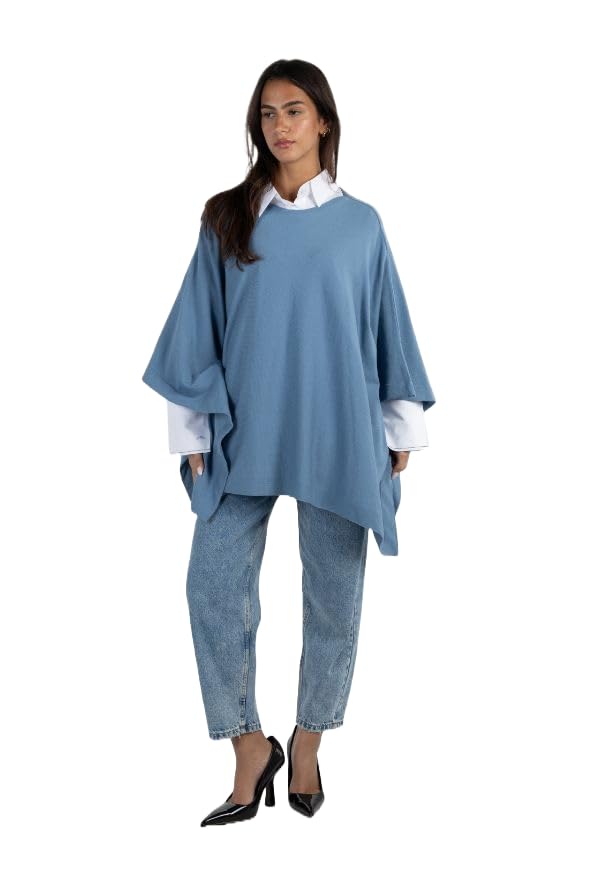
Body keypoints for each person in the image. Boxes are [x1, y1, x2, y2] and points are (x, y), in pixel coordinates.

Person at [142, 59, 436, 826]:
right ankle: (249, 744)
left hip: (338, 429)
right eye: (268, 113)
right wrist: (192, 430)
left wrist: (399, 422)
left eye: (294, 110)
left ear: (324, 121)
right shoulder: (229, 218)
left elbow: (386, 323)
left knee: (334, 593)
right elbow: (196, 325)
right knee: (212, 586)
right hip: (245, 427)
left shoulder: (362, 225)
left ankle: (308, 740)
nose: (280, 126)